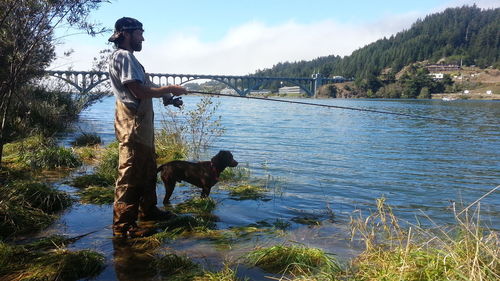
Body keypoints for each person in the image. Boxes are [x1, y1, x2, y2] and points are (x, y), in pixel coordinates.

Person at [108, 17, 187, 238]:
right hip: (132, 125)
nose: (143, 37)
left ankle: (149, 211)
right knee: (130, 174)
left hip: (141, 126)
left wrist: (169, 97)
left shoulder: (130, 58)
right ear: (126, 34)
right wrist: (170, 87)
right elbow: (138, 92)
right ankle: (123, 227)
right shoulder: (123, 56)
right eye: (140, 33)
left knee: (147, 170)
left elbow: (147, 85)